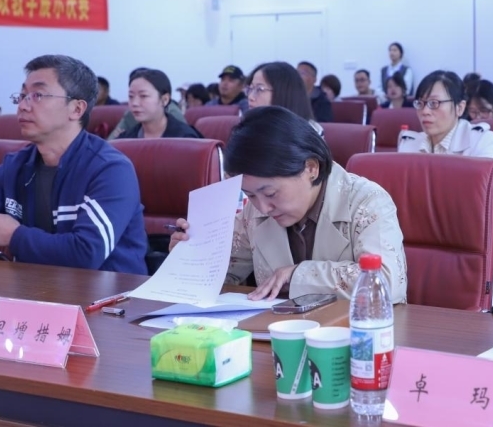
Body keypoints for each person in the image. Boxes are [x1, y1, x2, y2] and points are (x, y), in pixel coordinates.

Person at [169, 106, 407, 302]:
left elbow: (385, 282)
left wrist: (297, 274)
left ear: (310, 168)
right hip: (275, 335)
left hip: (355, 336)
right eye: (250, 195)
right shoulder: (254, 212)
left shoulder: (366, 201)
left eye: (271, 193)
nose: (263, 207)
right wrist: (190, 255)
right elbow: (223, 274)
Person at [0, 55, 147, 273]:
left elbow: (86, 253)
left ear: (76, 109)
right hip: (35, 289)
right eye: (22, 96)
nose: (23, 106)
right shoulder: (14, 167)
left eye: (38, 95)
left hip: (111, 292)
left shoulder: (110, 169)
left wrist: (15, 236)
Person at [398, 70, 493, 158]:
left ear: (460, 108)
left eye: (434, 103)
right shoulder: (408, 144)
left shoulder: (481, 141)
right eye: (420, 103)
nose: (425, 111)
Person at [119, 69, 201, 139]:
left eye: (143, 96)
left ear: (165, 100)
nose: (134, 103)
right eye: (131, 96)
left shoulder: (186, 138)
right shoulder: (125, 139)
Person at [247, 61, 323, 137]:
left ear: (283, 93)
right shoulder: (248, 126)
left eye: (260, 89)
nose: (250, 97)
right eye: (251, 88)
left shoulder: (310, 132)